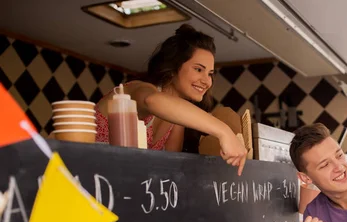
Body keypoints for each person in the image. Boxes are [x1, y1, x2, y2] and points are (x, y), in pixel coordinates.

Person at [95, 24, 247, 175]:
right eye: (198, 69)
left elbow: (171, 171)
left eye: (210, 73)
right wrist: (224, 132)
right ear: (173, 67)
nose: (207, 81)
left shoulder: (176, 122)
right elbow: (153, 101)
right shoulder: (137, 91)